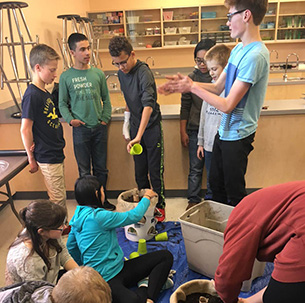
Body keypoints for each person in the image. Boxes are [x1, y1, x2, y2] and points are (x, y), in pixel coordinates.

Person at [159, 0, 269, 207]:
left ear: (246, 15)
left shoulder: (255, 56)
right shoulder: (238, 50)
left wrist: (193, 88)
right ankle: (216, 235)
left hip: (238, 136)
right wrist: (189, 83)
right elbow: (218, 87)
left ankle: (236, 236)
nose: (227, 23)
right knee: (215, 187)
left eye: (230, 16)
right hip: (223, 132)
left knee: (233, 194)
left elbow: (227, 104)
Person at [67, 175, 173, 303]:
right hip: (105, 281)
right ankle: (146, 288)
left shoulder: (76, 217)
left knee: (165, 256)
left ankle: (148, 300)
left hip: (119, 267)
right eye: (102, 190)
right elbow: (134, 216)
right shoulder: (99, 216)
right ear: (97, 194)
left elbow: (71, 246)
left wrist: (85, 267)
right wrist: (147, 197)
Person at [108, 36, 165, 222]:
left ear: (132, 54)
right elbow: (129, 102)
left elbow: (148, 106)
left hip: (151, 129)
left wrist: (138, 136)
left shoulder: (143, 73)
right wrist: (127, 126)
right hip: (135, 130)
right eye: (116, 64)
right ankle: (144, 207)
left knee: (155, 172)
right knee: (140, 172)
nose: (121, 67)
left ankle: (160, 207)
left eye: (123, 62)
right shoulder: (122, 73)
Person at [58, 33, 115, 211]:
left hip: (99, 128)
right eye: (82, 49)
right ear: (72, 52)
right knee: (84, 171)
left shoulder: (97, 73)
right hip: (80, 130)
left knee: (101, 169)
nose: (87, 52)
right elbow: (61, 103)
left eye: (88, 48)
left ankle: (102, 201)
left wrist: (105, 119)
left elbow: (106, 99)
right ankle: (88, 205)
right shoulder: (66, 77)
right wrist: (70, 120)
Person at [21, 44, 67, 212]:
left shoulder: (44, 92)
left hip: (55, 152)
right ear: (38, 67)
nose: (55, 75)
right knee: (57, 200)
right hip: (47, 155)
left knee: (60, 196)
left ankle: (63, 228)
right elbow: (25, 129)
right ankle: (58, 234)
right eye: (52, 70)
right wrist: (31, 158)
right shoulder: (32, 95)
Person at [5, 200, 78, 286]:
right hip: (36, 292)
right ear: (42, 231)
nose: (65, 227)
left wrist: (81, 274)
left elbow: (64, 256)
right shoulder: (29, 260)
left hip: (49, 280)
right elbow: (38, 293)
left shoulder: (45, 232)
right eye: (60, 225)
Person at [180, 39, 215, 211]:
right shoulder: (191, 79)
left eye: (205, 60)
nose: (202, 64)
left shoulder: (219, 77)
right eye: (198, 60)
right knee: (195, 168)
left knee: (212, 168)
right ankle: (193, 199)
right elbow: (185, 107)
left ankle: (211, 199)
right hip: (194, 129)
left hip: (214, 130)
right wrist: (183, 131)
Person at [197, 44, 231, 200]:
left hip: (225, 145)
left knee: (225, 181)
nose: (211, 73)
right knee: (211, 180)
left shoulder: (231, 91)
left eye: (214, 69)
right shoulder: (209, 89)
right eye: (209, 69)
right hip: (209, 146)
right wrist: (201, 142)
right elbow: (203, 117)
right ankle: (211, 207)